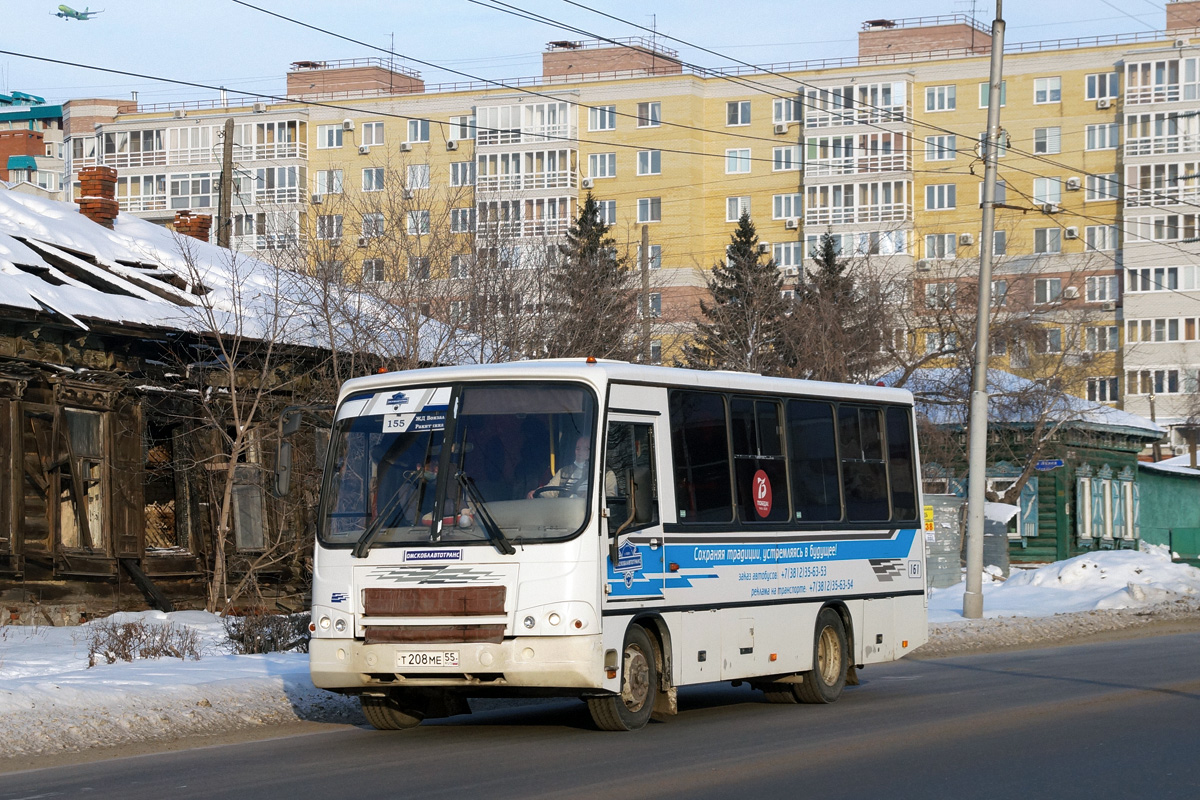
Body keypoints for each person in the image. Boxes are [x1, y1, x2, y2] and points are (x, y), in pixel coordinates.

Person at [527, 435, 616, 498]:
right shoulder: (564, 471)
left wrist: (591, 497)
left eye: (585, 449)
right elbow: (550, 491)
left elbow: (610, 501)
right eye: (578, 448)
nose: (580, 452)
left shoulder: (606, 474)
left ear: (594, 451)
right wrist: (536, 493)